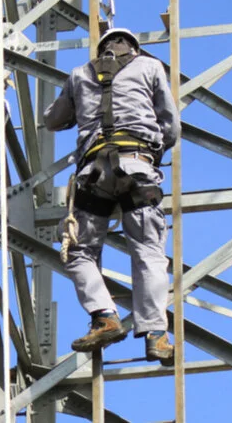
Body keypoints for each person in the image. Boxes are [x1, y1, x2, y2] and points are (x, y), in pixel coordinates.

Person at [42, 27, 181, 364]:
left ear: (103, 49)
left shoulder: (80, 74)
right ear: (133, 48)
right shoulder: (150, 67)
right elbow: (171, 125)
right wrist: (155, 146)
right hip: (138, 167)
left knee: (79, 252)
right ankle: (156, 335)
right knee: (148, 252)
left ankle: (105, 316)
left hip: (95, 172)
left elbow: (53, 120)